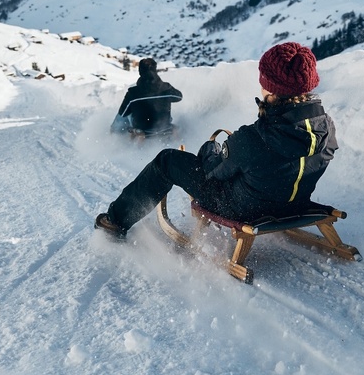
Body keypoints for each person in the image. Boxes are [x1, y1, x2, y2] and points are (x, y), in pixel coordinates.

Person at [95, 42, 337, 238]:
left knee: (167, 160)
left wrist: (211, 150)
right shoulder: (327, 127)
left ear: (271, 90)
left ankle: (116, 221)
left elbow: (214, 172)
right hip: (296, 203)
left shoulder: (253, 138)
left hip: (243, 208)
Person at [110, 58, 183, 136]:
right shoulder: (166, 88)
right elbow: (179, 97)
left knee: (123, 116)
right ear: (155, 70)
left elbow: (123, 112)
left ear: (140, 72)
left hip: (143, 130)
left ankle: (113, 136)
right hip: (164, 128)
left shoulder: (133, 92)